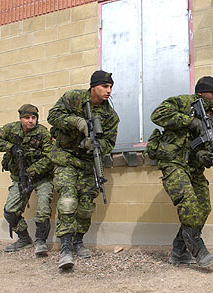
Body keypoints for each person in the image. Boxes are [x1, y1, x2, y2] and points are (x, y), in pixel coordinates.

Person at [47, 70, 119, 269]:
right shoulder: (74, 98)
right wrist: (76, 122)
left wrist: (95, 145)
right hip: (66, 159)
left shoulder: (110, 115)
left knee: (86, 207)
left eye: (111, 87)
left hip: (88, 164)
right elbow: (53, 115)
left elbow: (110, 142)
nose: (109, 91)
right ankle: (66, 247)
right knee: (68, 201)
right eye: (105, 86)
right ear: (93, 86)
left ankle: (78, 240)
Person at [150, 76, 213, 268]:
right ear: (200, 92)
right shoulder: (183, 102)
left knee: (203, 207)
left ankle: (179, 251)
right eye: (212, 93)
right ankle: (198, 250)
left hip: (194, 169)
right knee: (189, 204)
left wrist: (206, 157)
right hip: (173, 162)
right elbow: (157, 114)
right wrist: (189, 121)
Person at [0, 104, 54, 256]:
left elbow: (50, 157)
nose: (31, 121)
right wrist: (11, 147)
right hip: (19, 177)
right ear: (20, 118)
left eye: (33, 118)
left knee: (43, 208)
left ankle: (40, 242)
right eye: (27, 118)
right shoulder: (11, 129)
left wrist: (32, 171)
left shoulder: (42, 133)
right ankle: (24, 239)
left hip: (41, 177)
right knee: (10, 211)